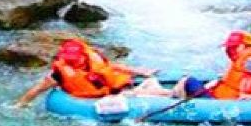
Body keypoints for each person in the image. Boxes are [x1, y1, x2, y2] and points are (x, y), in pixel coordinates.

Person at [16, 39, 158, 106]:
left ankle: (168, 92)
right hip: (99, 99)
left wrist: (140, 71)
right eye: (70, 60)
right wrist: (21, 104)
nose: (74, 62)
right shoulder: (60, 73)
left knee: (149, 83)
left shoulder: (93, 59)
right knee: (138, 93)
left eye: (76, 59)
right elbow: (38, 89)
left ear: (83, 55)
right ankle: (171, 94)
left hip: (114, 90)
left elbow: (111, 67)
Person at [169, 31, 251, 101]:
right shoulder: (244, 60)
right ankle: (166, 95)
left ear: (244, 46)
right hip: (221, 98)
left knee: (188, 80)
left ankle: (169, 100)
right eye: (229, 48)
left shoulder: (249, 57)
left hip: (220, 103)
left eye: (234, 47)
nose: (229, 50)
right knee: (193, 83)